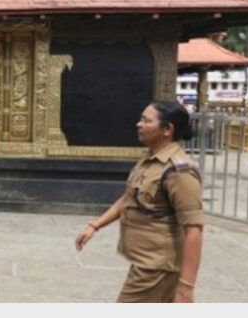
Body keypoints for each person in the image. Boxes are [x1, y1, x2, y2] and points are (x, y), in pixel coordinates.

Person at [75, 101, 204, 303]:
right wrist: (95, 226)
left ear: (167, 129)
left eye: (146, 121)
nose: (139, 124)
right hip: (146, 261)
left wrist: (186, 287)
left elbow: (193, 229)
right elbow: (129, 198)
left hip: (157, 268)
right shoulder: (150, 159)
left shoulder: (179, 171)